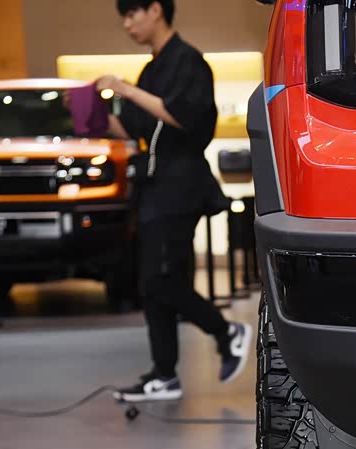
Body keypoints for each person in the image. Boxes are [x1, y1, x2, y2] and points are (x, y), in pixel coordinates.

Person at [99, 0, 251, 402]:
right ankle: (164, 374)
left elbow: (186, 117)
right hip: (154, 187)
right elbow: (133, 128)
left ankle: (225, 331)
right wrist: (91, 112)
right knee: (151, 283)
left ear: (155, 10)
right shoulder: (151, 69)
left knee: (161, 279)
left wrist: (126, 89)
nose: (127, 24)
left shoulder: (189, 62)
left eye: (131, 14)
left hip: (182, 186)